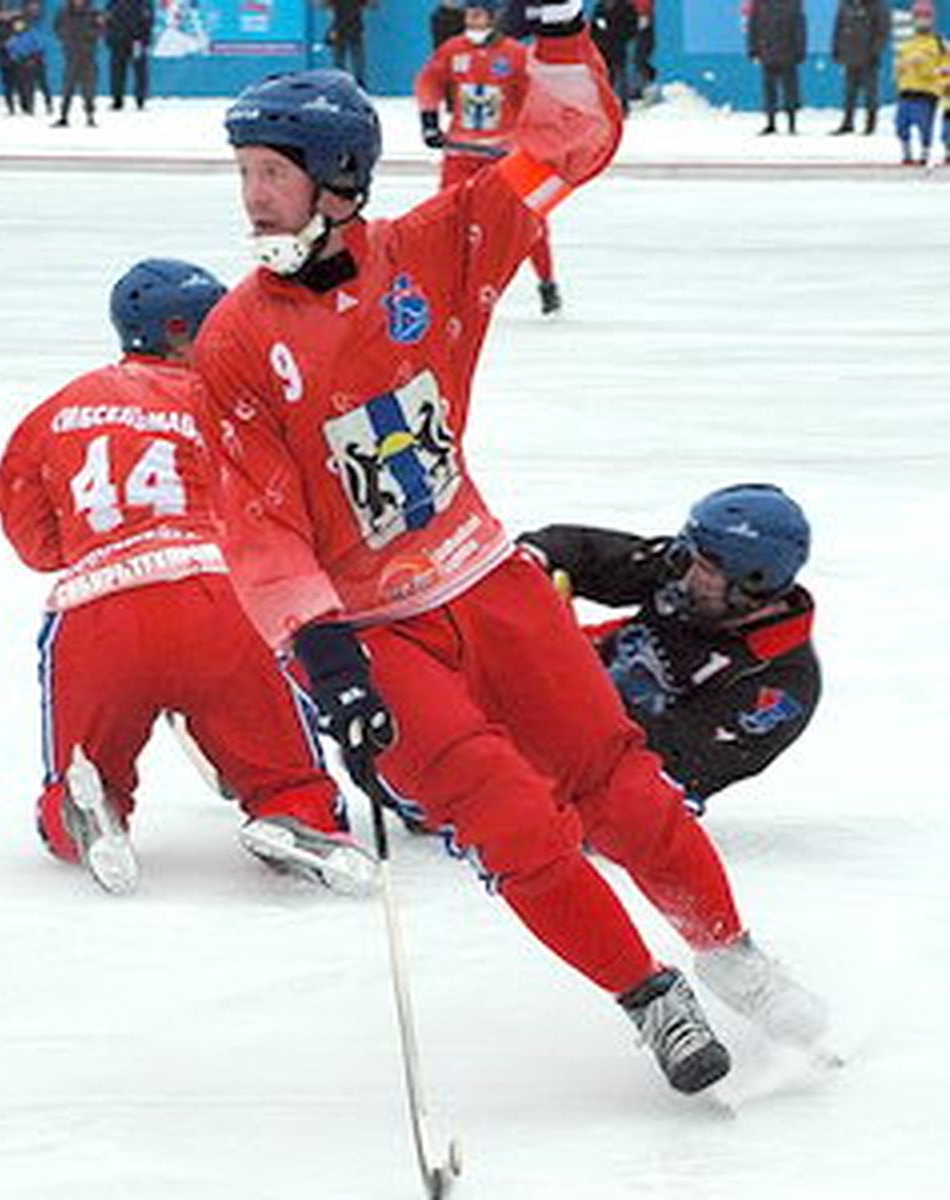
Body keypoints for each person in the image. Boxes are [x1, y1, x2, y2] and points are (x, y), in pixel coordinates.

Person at [193, 16, 828, 1097]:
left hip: (488, 579)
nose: (253, 196)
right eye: (245, 172)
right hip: (372, 632)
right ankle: (652, 999)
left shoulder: (442, 245)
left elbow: (569, 141)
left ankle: (728, 953)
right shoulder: (236, 339)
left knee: (622, 788)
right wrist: (322, 649)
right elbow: (255, 521)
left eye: (272, 173)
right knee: (511, 820)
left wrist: (558, 37)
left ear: (339, 179)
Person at [0, 258, 376, 896]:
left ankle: (85, 808)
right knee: (286, 773)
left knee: (81, 774)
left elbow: (34, 539)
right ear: (179, 332)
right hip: (219, 598)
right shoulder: (230, 400)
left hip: (95, 610)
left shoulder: (53, 411)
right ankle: (295, 816)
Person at [517, 485, 820, 816]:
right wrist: (530, 565)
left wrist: (562, 674)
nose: (685, 575)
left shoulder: (781, 688)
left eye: (704, 569)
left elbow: (673, 758)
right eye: (689, 558)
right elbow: (580, 552)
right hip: (556, 685)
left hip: (600, 782)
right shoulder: (690, 571)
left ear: (753, 584)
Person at [415, 0, 562, 314]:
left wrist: (535, 138)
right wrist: (429, 120)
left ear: (495, 19)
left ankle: (547, 282)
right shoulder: (453, 50)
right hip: (461, 152)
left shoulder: (515, 54)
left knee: (529, 218)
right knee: (448, 218)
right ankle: (448, 287)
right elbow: (429, 81)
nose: (472, 21)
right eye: (468, 15)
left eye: (478, 15)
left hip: (504, 155)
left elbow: (536, 96)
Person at [893, 0, 949, 165]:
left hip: (926, 93)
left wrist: (926, 69)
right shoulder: (908, 44)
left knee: (924, 126)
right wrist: (900, 74)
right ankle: (906, 153)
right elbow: (900, 66)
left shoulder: (938, 44)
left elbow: (943, 69)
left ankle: (925, 152)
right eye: (918, 17)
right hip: (906, 91)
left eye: (926, 17)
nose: (922, 21)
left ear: (933, 19)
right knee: (901, 125)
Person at [829, 0, 889, 135]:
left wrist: (875, 51)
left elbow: (882, 31)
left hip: (868, 58)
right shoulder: (845, 5)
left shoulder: (876, 5)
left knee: (870, 93)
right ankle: (847, 122)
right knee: (849, 93)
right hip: (849, 56)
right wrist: (836, 49)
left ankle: (870, 124)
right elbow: (838, 28)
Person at [747, 0, 807, 135]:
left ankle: (791, 123)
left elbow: (800, 28)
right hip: (768, 52)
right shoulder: (760, 4)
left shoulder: (793, 3)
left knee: (789, 90)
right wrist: (753, 49)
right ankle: (770, 122)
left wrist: (800, 50)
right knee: (769, 90)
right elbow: (753, 27)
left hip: (787, 53)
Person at [52, 0, 101, 127]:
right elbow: (56, 27)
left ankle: (90, 116)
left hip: (87, 55)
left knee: (88, 87)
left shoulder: (93, 12)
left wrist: (89, 37)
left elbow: (101, 30)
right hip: (71, 54)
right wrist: (66, 38)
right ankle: (63, 116)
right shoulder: (63, 12)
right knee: (68, 86)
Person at [589, 0, 638, 112]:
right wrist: (597, 42)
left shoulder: (627, 7)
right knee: (605, 80)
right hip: (603, 51)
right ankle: (605, 107)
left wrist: (617, 34)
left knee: (621, 79)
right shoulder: (599, 7)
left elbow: (632, 29)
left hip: (619, 49)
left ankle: (623, 107)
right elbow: (593, 28)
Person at [105, 0, 151, 110]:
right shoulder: (113, 3)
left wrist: (144, 40)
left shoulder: (143, 3)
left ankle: (140, 100)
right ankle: (117, 99)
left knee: (140, 72)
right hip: (118, 42)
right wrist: (110, 39)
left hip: (137, 42)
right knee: (117, 72)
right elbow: (107, 21)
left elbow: (148, 22)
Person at [323, 0, 371, 86]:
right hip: (353, 28)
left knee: (341, 61)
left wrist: (333, 29)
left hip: (341, 29)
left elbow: (326, 6)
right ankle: (358, 84)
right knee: (356, 59)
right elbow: (370, 5)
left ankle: (342, 84)